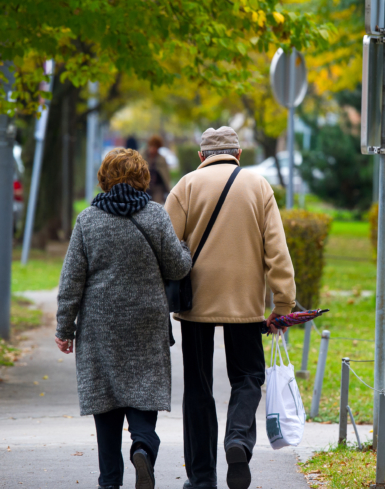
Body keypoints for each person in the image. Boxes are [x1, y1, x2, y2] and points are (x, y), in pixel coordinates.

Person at [164, 127, 296, 489]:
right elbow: (278, 253)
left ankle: (201, 477)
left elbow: (164, 247)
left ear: (201, 157)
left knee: (199, 387)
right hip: (245, 304)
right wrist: (282, 304)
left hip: (195, 303)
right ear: (238, 154)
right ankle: (238, 438)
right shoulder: (258, 187)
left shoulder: (186, 186)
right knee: (249, 377)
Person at [56, 148, 192, 489]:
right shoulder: (156, 216)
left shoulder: (88, 220)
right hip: (147, 320)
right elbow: (177, 267)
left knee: (107, 402)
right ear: (143, 178)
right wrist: (186, 250)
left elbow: (72, 280)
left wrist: (64, 327)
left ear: (104, 178)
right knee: (144, 394)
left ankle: (109, 481)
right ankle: (143, 447)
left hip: (100, 325)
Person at [144, 135, 172, 204]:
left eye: (155, 147)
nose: (153, 149)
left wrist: (168, 190)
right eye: (152, 146)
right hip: (145, 187)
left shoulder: (161, 159)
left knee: (157, 205)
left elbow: (166, 176)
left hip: (158, 187)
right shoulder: (142, 156)